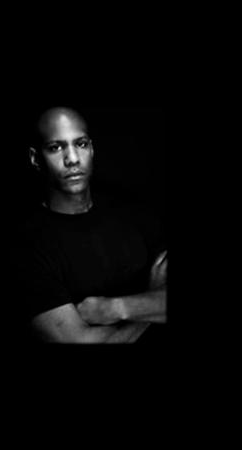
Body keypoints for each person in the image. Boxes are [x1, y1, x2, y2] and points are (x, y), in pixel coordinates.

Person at [11, 107, 167, 343]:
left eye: (81, 144)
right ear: (35, 158)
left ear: (91, 149)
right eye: (56, 148)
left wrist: (115, 308)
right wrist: (152, 302)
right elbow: (81, 341)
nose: (72, 159)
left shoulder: (134, 212)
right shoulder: (26, 245)